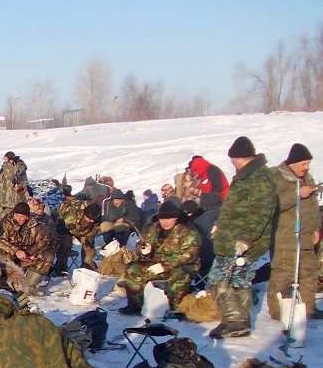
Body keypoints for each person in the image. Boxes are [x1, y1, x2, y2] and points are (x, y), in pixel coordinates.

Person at [206, 136, 277, 339]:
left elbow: (260, 211)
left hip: (240, 241)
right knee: (239, 280)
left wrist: (245, 237)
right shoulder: (248, 175)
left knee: (220, 278)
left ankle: (234, 320)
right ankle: (240, 321)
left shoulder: (259, 178)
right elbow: (235, 208)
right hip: (231, 236)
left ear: (238, 158)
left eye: (232, 160)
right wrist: (220, 225)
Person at [117, 200, 201, 315]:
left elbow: (189, 255)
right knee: (133, 268)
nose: (165, 222)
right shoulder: (153, 229)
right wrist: (144, 251)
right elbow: (141, 244)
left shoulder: (187, 232)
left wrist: (164, 266)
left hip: (182, 266)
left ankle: (173, 305)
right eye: (162, 219)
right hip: (156, 263)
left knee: (179, 274)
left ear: (176, 218)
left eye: (169, 218)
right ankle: (136, 303)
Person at [268, 143, 319, 321]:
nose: (307, 167)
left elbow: (312, 207)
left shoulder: (307, 178)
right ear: (293, 163)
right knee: (282, 277)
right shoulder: (276, 177)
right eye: (304, 163)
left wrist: (316, 228)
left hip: (306, 238)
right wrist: (297, 193)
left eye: (309, 164)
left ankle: (309, 309)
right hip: (285, 239)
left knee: (309, 275)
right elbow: (272, 205)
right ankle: (277, 311)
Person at [0, 202, 49, 295]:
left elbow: (43, 241)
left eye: (22, 216)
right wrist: (16, 251)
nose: (18, 218)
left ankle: (29, 286)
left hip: (26, 254)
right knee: (3, 258)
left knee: (46, 256)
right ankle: (5, 283)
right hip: (7, 253)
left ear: (27, 217)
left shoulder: (35, 225)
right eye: (16, 215)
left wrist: (31, 253)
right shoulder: (4, 223)